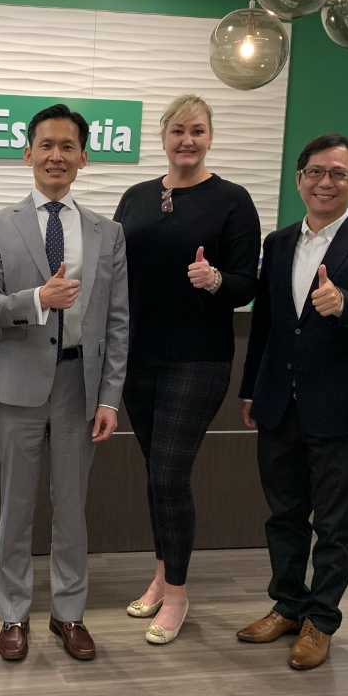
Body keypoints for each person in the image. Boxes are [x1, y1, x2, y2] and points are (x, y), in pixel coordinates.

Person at [236, 134, 348, 669]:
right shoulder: (279, 242)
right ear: (299, 179)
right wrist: (250, 390)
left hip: (343, 412)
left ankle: (321, 620)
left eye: (337, 173)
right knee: (283, 516)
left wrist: (344, 303)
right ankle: (287, 605)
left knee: (333, 525)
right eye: (315, 172)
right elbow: (265, 325)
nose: (325, 182)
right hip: (278, 405)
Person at [0, 104, 129, 663]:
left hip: (79, 388)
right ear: (28, 154)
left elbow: (117, 322)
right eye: (46, 145)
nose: (56, 155)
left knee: (72, 510)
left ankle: (69, 613)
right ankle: (13, 614)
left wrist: (110, 397)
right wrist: (38, 299)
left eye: (67, 146)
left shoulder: (108, 232)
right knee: (15, 509)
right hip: (17, 387)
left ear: (83, 157)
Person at [113, 94, 260, 643]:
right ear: (164, 136)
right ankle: (161, 575)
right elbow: (115, 270)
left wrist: (215, 280)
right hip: (138, 358)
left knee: (170, 474)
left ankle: (176, 594)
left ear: (210, 137)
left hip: (197, 360)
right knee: (157, 474)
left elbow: (248, 283)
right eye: (178, 130)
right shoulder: (136, 197)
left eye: (197, 130)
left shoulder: (232, 201)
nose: (187, 140)